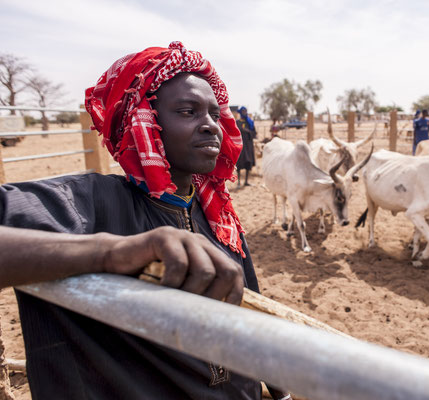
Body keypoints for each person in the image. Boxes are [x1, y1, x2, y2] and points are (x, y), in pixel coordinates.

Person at [0, 42, 291, 400]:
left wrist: (282, 393)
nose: (211, 126)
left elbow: (254, 313)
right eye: (188, 111)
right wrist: (110, 253)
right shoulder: (87, 204)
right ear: (145, 122)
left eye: (215, 114)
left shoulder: (218, 215)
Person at [235, 106, 257, 187]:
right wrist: (241, 130)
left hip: (248, 146)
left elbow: (254, 133)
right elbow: (234, 133)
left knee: (248, 162)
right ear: (240, 112)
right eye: (243, 111)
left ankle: (246, 181)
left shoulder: (250, 122)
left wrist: (248, 131)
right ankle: (238, 182)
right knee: (239, 164)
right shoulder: (237, 122)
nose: (245, 112)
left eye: (246, 111)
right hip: (240, 146)